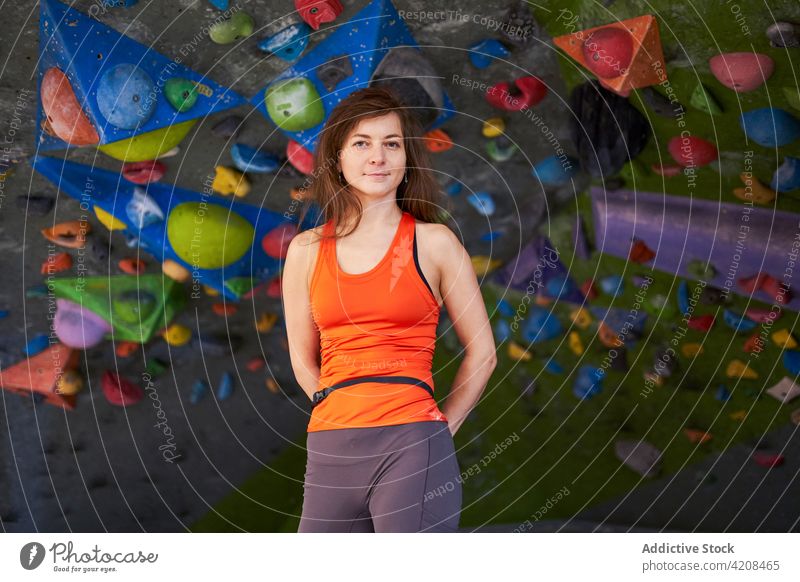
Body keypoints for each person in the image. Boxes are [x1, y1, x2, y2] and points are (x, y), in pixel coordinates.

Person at [282, 87, 496, 533]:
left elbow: (483, 352)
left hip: (411, 439)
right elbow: (303, 359)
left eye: (391, 144)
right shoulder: (305, 250)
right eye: (362, 143)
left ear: (406, 159)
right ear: (338, 158)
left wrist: (442, 428)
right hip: (330, 447)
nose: (377, 157)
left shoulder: (435, 243)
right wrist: (334, 404)